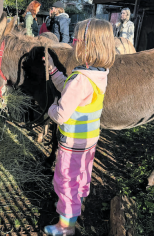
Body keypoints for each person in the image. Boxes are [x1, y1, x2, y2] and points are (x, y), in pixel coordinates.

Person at [44, 18, 116, 235]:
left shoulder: (79, 80)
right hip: (89, 140)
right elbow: (70, 88)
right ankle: (79, 202)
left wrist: (51, 108)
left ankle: (66, 226)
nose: (73, 44)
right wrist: (54, 72)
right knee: (82, 174)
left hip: (72, 143)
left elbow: (61, 115)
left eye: (75, 39)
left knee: (65, 181)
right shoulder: (98, 73)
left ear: (87, 45)